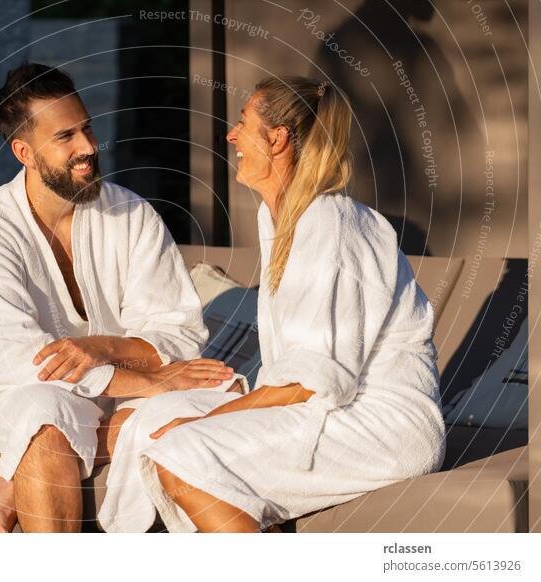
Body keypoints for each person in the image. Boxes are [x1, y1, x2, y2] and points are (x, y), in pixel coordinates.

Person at [133, 76, 446, 533]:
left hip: (381, 427)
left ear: (277, 138)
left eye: (242, 123)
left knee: (183, 453)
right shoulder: (280, 218)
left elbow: (311, 381)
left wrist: (210, 420)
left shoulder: (330, 222)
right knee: (158, 418)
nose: (231, 135)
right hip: (334, 409)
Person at [0, 63, 242, 533]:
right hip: (4, 395)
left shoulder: (130, 213)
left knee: (215, 399)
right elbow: (19, 361)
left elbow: (179, 331)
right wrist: (148, 383)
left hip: (113, 396)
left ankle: (9, 482)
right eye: (65, 137)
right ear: (24, 151)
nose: (87, 147)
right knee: (45, 416)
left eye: (86, 128)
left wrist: (101, 348)